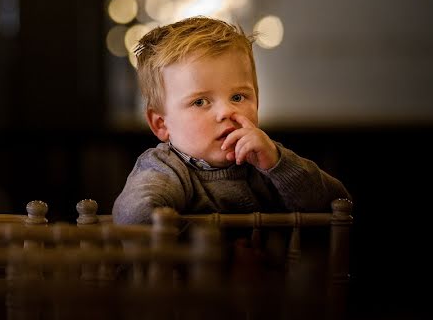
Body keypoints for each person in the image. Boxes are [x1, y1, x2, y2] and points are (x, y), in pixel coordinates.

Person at [112, 16, 350, 225]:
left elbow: (338, 204)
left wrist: (277, 164)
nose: (226, 111)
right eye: (200, 102)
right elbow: (136, 219)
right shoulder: (164, 169)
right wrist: (209, 250)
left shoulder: (264, 160)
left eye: (238, 97)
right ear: (161, 124)